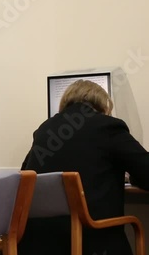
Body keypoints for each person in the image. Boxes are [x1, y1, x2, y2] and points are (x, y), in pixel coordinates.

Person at [18, 80, 149, 255]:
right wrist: (133, 175)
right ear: (103, 106)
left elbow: (25, 175)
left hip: (35, 243)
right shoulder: (108, 126)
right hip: (90, 241)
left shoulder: (44, 129)